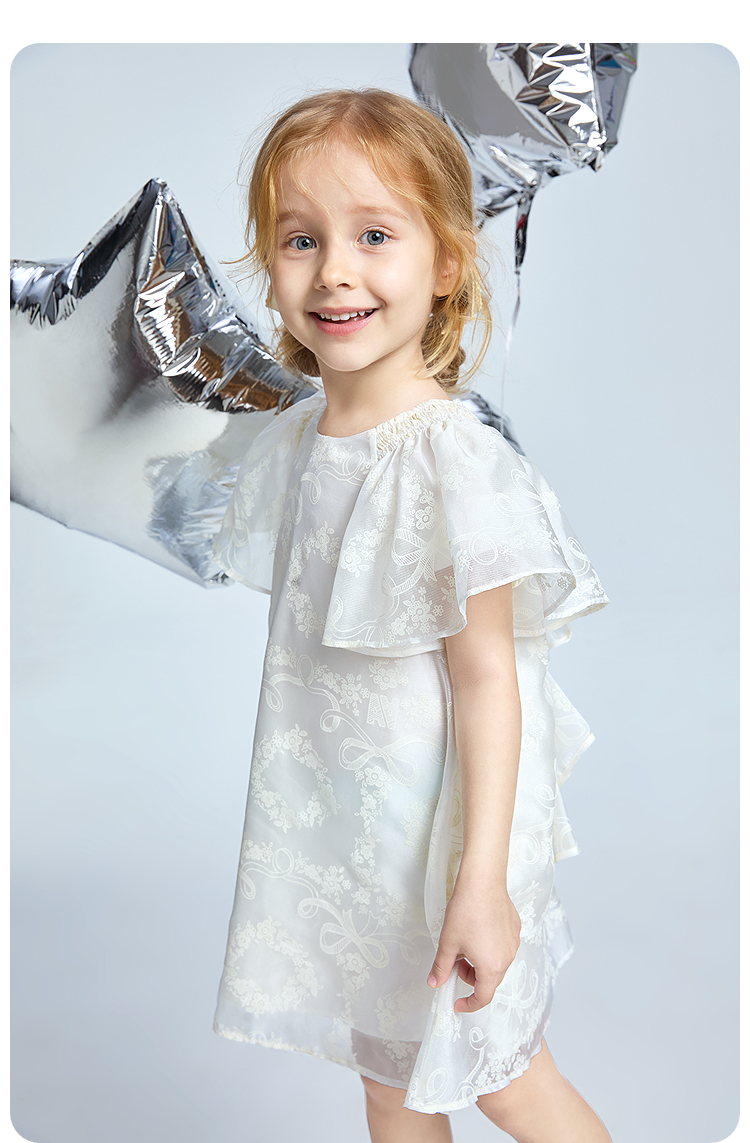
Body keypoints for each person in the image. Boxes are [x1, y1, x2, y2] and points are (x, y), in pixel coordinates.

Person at [212, 88, 612, 1143]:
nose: (333, 271)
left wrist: (482, 885)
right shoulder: (300, 442)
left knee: (504, 1079)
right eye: (301, 239)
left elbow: (488, 680)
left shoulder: (452, 462)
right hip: (352, 837)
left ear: (446, 263)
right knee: (387, 1079)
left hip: (448, 841)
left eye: (375, 236)